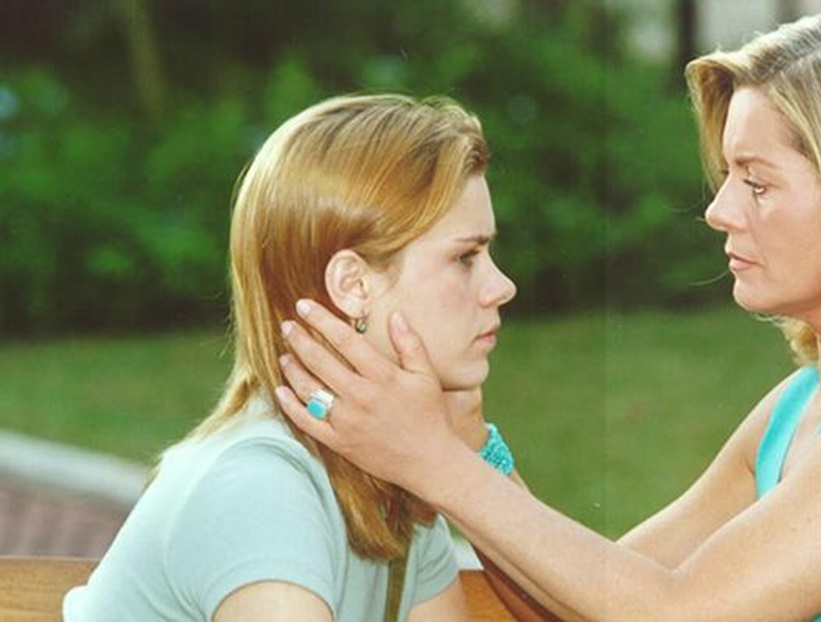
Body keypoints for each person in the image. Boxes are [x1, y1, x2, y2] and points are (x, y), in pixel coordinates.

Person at [277, 11, 821, 621]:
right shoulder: (804, 405)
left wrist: (428, 462)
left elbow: (679, 613)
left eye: (757, 182)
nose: (720, 210)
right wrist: (464, 439)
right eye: (727, 176)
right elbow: (593, 601)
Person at [63, 93, 521, 621]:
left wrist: (468, 446)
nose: (501, 286)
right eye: (465, 257)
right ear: (352, 284)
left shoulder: (386, 487)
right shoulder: (259, 489)